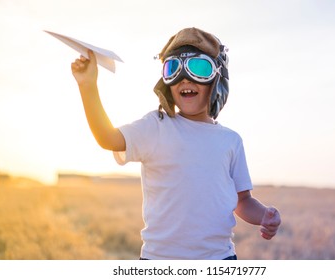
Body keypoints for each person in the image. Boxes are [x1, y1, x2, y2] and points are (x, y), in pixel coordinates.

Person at [71, 27, 281, 260]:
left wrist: (264, 215)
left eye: (198, 68)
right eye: (173, 69)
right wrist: (87, 85)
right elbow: (107, 138)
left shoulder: (231, 141)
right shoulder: (155, 127)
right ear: (166, 82)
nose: (184, 78)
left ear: (217, 79)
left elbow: (243, 201)